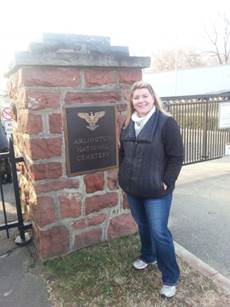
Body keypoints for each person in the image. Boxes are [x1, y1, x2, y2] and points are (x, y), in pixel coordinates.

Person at [118, 81, 183, 298]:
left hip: (157, 190)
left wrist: (167, 181)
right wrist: (123, 174)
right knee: (143, 224)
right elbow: (123, 154)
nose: (141, 101)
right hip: (133, 187)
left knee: (159, 231)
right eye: (136, 97)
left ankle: (170, 277)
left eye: (145, 96)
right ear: (131, 101)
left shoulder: (166, 123)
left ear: (153, 98)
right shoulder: (127, 123)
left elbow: (176, 157)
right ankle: (148, 255)